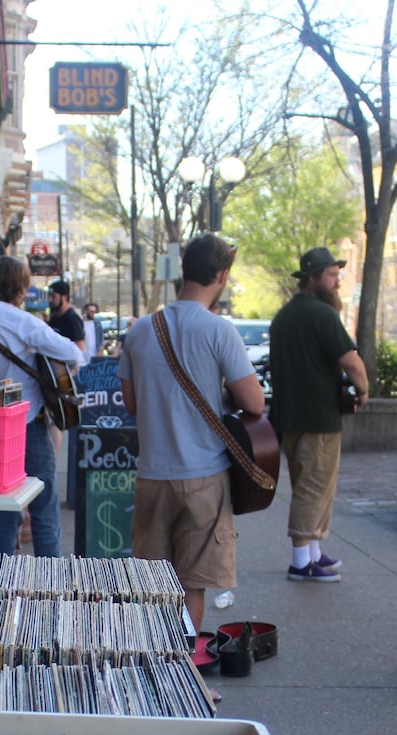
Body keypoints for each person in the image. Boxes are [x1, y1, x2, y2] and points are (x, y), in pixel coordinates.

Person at [119, 233, 263, 634]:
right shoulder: (220, 332)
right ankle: (184, 676)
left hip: (151, 475)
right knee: (191, 585)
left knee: (152, 586)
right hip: (203, 477)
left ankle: (152, 667)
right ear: (221, 275)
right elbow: (254, 403)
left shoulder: (140, 331)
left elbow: (131, 405)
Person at [0, 257, 81, 557]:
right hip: (28, 423)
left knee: (5, 507)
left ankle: (0, 580)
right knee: (44, 508)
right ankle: (48, 582)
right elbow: (72, 353)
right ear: (18, 287)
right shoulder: (22, 321)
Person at [268, 246, 369, 582]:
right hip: (319, 416)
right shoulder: (322, 315)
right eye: (332, 275)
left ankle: (312, 552)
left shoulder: (283, 317)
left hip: (289, 416)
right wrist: (364, 389)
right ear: (313, 279)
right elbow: (351, 360)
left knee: (305, 484)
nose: (337, 282)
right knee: (314, 487)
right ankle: (301, 561)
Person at [46, 280, 86, 354]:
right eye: (49, 296)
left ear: (64, 297)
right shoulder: (54, 318)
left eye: (53, 296)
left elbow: (80, 348)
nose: (50, 300)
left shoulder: (72, 319)